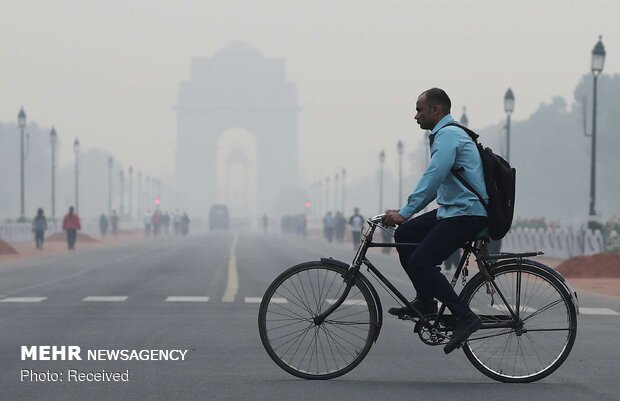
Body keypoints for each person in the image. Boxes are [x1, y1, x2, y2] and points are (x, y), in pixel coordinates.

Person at [383, 88, 488, 354]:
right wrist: (406, 216)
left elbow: (434, 176)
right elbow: (436, 181)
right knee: (406, 234)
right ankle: (426, 302)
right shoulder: (445, 134)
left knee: (421, 261)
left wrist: (406, 210)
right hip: (452, 210)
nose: (415, 115)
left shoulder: (448, 135)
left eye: (419, 109)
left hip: (467, 213)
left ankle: (464, 316)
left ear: (436, 110)